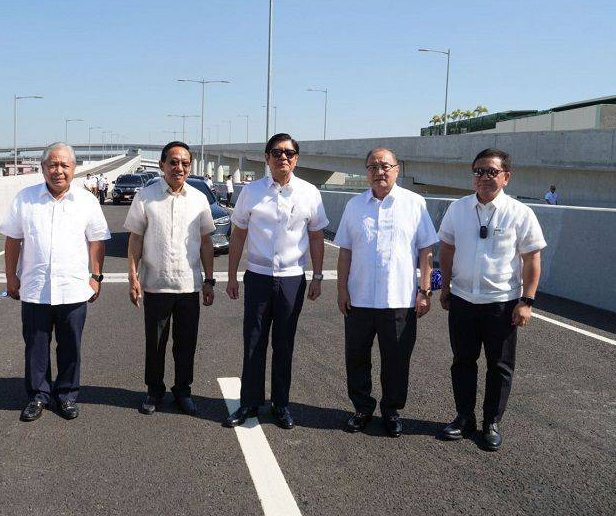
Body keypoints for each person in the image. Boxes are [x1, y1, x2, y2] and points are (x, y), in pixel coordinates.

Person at [437, 148, 546, 451]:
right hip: (462, 299)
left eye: (491, 171)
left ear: (506, 177)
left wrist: (527, 301)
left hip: (502, 303)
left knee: (499, 366)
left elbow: (532, 258)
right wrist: (444, 288)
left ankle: (491, 422)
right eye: (478, 171)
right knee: (462, 361)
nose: (484, 177)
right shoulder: (457, 209)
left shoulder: (520, 212)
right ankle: (463, 417)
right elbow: (446, 250)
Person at [223, 133, 329, 430]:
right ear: (266, 157)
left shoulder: (309, 193)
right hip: (258, 277)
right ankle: (249, 403)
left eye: (290, 153)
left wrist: (318, 276)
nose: (283, 157)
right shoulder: (251, 192)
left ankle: (281, 404)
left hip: (293, 278)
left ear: (297, 158)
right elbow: (239, 235)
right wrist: (231, 275)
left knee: (284, 344)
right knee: (254, 341)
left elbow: (317, 236)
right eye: (277, 152)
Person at [2, 143, 111, 423]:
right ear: (42, 168)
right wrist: (11, 276)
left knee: (70, 345)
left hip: (73, 288)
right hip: (35, 288)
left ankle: (67, 394)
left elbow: (96, 240)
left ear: (74, 169)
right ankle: (38, 395)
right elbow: (13, 239)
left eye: (64, 165)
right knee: (36, 346)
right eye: (52, 164)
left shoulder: (87, 201)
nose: (58, 170)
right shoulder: (24, 199)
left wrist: (96, 276)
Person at [335, 148, 438, 437]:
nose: (379, 171)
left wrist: (425, 291)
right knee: (356, 357)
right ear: (365, 172)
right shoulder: (354, 206)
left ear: (396, 169)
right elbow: (345, 251)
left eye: (385, 166)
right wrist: (342, 289)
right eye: (372, 166)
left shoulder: (415, 203)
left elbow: (426, 251)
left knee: (396, 360)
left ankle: (391, 411)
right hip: (360, 298)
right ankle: (362, 408)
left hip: (399, 300)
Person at [124, 141, 216, 416]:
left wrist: (209, 280)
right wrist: (132, 277)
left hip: (188, 286)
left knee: (186, 344)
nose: (179, 167)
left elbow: (206, 242)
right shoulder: (145, 196)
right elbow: (135, 238)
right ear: (162, 164)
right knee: (155, 344)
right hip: (155, 284)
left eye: (185, 163)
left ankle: (183, 390)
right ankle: (154, 390)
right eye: (173, 162)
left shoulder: (199, 199)